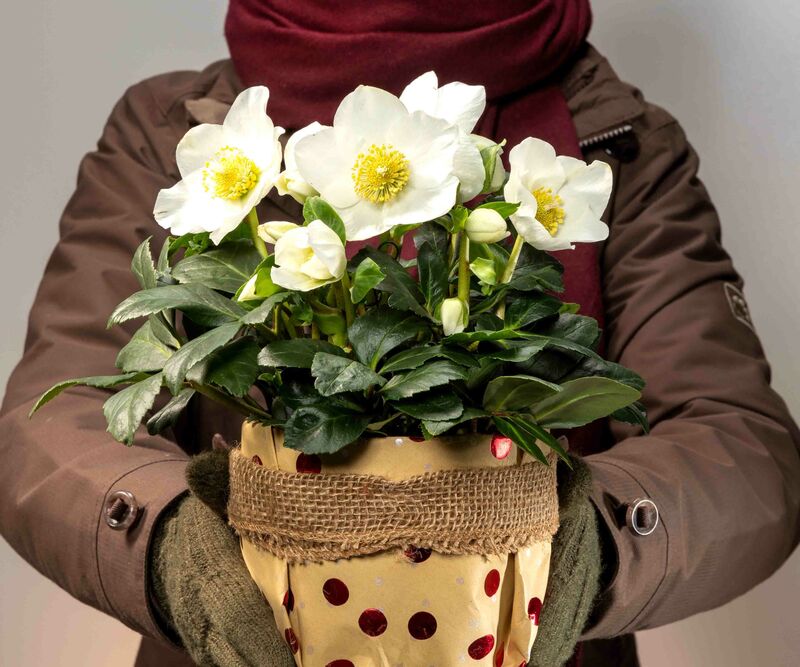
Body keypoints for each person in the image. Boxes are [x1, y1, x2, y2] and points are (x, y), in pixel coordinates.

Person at [1, 2, 799, 666]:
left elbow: (745, 448)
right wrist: (170, 545)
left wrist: (590, 547)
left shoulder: (614, 137)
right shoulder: (172, 131)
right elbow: (49, 424)